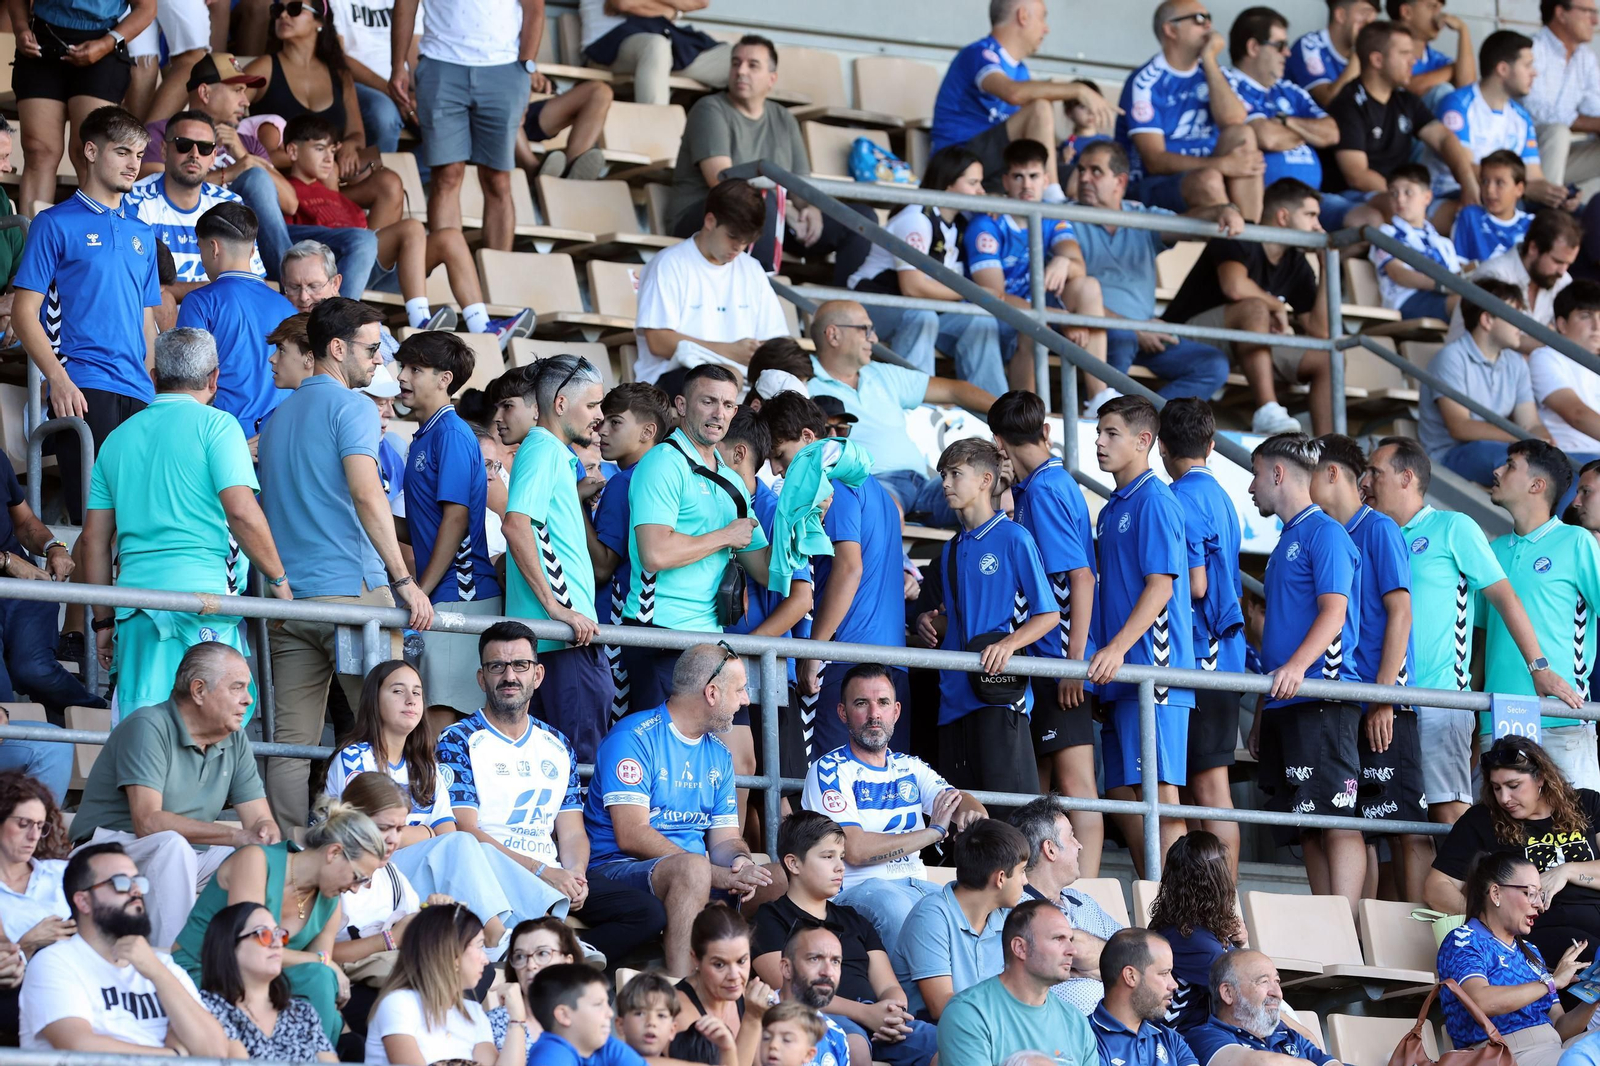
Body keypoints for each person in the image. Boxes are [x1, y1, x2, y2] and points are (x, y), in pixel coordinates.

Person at [258, 297, 433, 831]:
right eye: (373, 349)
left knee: (290, 745)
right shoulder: (353, 407)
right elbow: (366, 493)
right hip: (354, 596)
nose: (380, 362)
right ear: (337, 349)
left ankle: (291, 854)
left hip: (290, 600)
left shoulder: (278, 415)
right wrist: (403, 580)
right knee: (386, 730)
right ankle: (385, 851)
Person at [1365, 437, 1581, 828]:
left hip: (1440, 700)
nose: (1365, 481)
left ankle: (1465, 891)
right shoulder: (1378, 536)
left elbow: (1504, 598)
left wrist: (1539, 667)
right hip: (1392, 703)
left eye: (1375, 472)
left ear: (1406, 477)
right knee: (1395, 825)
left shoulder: (1453, 526)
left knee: (1449, 814)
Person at [79, 327, 292, 714]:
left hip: (134, 607)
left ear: (154, 377)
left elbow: (93, 540)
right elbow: (242, 512)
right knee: (211, 736)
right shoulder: (220, 426)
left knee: (143, 739)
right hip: (203, 604)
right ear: (214, 378)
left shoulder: (116, 438)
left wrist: (103, 622)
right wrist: (278, 579)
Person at [437, 622, 668, 966]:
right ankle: (554, 958)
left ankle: (558, 961)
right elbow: (466, 831)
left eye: (520, 665)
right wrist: (543, 872)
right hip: (493, 871)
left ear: (538, 674)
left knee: (647, 914)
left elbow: (572, 831)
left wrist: (575, 874)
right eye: (496, 666)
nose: (509, 675)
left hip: (553, 871)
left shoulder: (558, 744)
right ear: (481, 678)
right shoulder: (457, 739)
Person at [68, 643, 279, 949]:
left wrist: (266, 834)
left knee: (259, 860)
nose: (248, 699)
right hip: (105, 853)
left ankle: (243, 958)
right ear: (198, 690)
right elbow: (149, 823)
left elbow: (260, 817)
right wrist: (236, 837)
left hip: (187, 857)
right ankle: (172, 965)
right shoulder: (148, 726)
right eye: (238, 687)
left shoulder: (234, 738)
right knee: (172, 844)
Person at [13, 106, 161, 524]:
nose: (134, 164)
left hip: (140, 394)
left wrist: (154, 389)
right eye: (123, 152)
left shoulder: (142, 232)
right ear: (91, 152)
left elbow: (146, 320)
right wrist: (58, 381)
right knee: (92, 523)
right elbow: (25, 314)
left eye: (139, 153)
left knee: (137, 522)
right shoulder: (54, 223)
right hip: (83, 387)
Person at [585, 645, 771, 976]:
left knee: (780, 879)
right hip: (621, 869)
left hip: (696, 870)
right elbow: (632, 835)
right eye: (740, 690)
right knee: (693, 870)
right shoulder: (634, 737)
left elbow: (726, 838)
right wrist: (713, 872)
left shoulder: (719, 753)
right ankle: (685, 994)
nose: (745, 701)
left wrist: (740, 862)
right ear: (711, 693)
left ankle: (768, 998)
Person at [1245, 432, 1366, 911]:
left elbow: (1334, 612)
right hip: (1287, 698)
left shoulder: (1326, 532)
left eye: (1255, 474)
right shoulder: (1287, 540)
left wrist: (1296, 669)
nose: (1251, 487)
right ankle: (1326, 922)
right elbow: (1279, 632)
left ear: (1278, 474)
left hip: (1323, 695)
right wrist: (1262, 706)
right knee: (1308, 824)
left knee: (1336, 817)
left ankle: (1343, 930)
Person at [1309, 435, 1429, 897]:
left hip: (1383, 701)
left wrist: (1385, 698)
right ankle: (1364, 938)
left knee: (1405, 824)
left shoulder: (1378, 528)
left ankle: (1424, 941)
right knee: (1360, 827)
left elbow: (1400, 612)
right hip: (1350, 703)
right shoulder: (1332, 534)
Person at [282, 115, 525, 343]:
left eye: (332, 150)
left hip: (372, 268)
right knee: (411, 228)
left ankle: (483, 327)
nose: (328, 158)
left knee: (450, 237)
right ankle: (420, 322)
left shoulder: (339, 198)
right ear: (292, 150)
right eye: (319, 148)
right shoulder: (286, 192)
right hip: (338, 272)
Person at [760, 395, 911, 760]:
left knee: (830, 791)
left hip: (847, 658)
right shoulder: (875, 487)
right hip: (890, 660)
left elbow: (849, 568)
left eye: (781, 455)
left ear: (808, 437)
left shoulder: (834, 483)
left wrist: (815, 650)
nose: (779, 471)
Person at [615, 366, 772, 714]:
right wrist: (725, 536)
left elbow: (764, 568)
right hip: (659, 633)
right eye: (709, 401)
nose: (720, 413)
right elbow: (655, 552)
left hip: (710, 644)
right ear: (682, 405)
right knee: (662, 758)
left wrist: (803, 518)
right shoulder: (662, 462)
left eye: (729, 405)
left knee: (724, 759)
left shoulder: (729, 477)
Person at [799, 662, 985, 948]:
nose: (874, 714)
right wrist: (933, 833)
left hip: (916, 885)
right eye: (862, 703)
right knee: (899, 912)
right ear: (842, 713)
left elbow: (957, 800)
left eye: (883, 703)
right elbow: (856, 851)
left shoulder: (910, 767)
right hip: (857, 890)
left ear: (896, 711)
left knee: (978, 912)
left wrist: (973, 815)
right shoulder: (829, 770)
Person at [170, 798, 384, 1043]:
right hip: (205, 971)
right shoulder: (256, 860)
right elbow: (246, 950)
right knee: (321, 980)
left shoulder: (331, 903)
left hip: (262, 985)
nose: (356, 890)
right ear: (334, 852)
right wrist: (324, 962)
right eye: (358, 877)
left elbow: (317, 973)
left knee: (323, 987)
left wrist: (324, 965)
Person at [913, 438, 1059, 796]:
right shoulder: (950, 549)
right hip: (952, 701)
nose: (945, 483)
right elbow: (961, 621)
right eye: (943, 475)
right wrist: (932, 624)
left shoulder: (1013, 538)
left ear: (985, 480)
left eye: (955, 474)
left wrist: (1008, 644)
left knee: (1008, 823)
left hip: (997, 697)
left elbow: (1048, 614)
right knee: (963, 824)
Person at [1088, 396, 1196, 876]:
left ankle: (1187, 906)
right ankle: (1157, 894)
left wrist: (1113, 648)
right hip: (1119, 673)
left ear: (1143, 441)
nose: (1098, 441)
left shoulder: (1154, 499)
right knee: (1124, 794)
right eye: (1099, 431)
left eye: (1111, 433)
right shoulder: (1115, 506)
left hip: (1154, 670)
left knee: (1159, 794)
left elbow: (1162, 586)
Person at [989, 392, 1099, 839]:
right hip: (1051, 657)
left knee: (1076, 786)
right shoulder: (1039, 485)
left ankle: (1087, 891)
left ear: (998, 442)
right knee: (1045, 787)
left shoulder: (1048, 489)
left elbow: (1082, 578)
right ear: (1046, 431)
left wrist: (1071, 664)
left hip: (1061, 660)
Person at [665, 35, 863, 282]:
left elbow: (800, 184)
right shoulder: (709, 109)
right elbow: (722, 183)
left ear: (772, 79)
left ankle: (850, 309)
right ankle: (758, 288)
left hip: (766, 220)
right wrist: (783, 210)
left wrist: (809, 208)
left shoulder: (784, 118)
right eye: (735, 63)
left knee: (860, 218)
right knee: (760, 196)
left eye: (752, 65)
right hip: (705, 219)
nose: (741, 71)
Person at [497, 357, 614, 761]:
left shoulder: (550, 452)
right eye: (593, 405)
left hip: (561, 638)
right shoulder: (544, 449)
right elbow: (516, 526)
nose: (599, 417)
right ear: (561, 403)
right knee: (579, 769)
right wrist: (556, 607)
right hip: (564, 638)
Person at [751, 812, 936, 1066]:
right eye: (828, 857)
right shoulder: (770, 918)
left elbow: (889, 986)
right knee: (855, 1045)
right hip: (818, 1015)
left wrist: (892, 1011)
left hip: (876, 1018)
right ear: (793, 864)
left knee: (951, 1042)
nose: (840, 867)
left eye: (841, 857)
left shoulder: (855, 918)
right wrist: (866, 1014)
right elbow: (788, 991)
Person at [1067, 140, 1236, 406]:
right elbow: (1066, 295)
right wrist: (1133, 327)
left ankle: (1142, 420)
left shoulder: (1142, 216)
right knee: (1122, 338)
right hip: (1094, 333)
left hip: (1144, 332)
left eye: (1095, 171)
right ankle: (1105, 417)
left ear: (1120, 182)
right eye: (1081, 170)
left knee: (1212, 364)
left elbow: (1189, 224)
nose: (1084, 178)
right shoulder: (1063, 217)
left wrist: (1224, 210)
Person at [18, 842, 227, 1055]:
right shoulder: (54, 962)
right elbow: (78, 1046)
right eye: (120, 883)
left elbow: (215, 1051)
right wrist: (173, 1056)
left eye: (137, 881)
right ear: (84, 902)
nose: (135, 890)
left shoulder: (163, 967)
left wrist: (157, 973)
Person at [1164, 177, 1336, 435]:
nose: (1317, 226)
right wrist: (1276, 306)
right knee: (1255, 307)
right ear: (1283, 216)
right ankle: (1268, 409)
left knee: (1326, 357)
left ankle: (1330, 449)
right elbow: (1234, 286)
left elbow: (1320, 332)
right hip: (1189, 335)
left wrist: (1326, 268)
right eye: (1311, 215)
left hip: (1248, 345)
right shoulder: (1240, 233)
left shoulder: (1296, 262)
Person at [806, 299, 995, 526]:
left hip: (925, 484)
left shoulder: (882, 373)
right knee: (887, 512)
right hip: (870, 485)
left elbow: (956, 390)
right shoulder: (803, 383)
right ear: (833, 335)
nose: (874, 339)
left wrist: (1010, 413)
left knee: (994, 497)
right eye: (865, 330)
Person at [395, 332, 504, 712]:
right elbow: (425, 527)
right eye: (402, 366)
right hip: (441, 597)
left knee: (443, 719)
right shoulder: (425, 435)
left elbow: (456, 520)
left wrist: (419, 591)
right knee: (430, 720)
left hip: (462, 595)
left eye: (415, 369)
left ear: (444, 379)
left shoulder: (453, 434)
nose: (402, 377)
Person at [1157, 401, 1245, 864]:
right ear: (1211, 446)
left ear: (1161, 447)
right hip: (1221, 656)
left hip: (1201, 656)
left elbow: (1196, 584)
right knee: (1202, 786)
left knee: (1208, 787)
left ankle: (1223, 903)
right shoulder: (1222, 496)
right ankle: (1209, 899)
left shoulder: (1180, 497)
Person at [843, 145, 1006, 394]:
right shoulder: (916, 217)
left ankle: (995, 413)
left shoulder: (962, 222)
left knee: (979, 322)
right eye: (973, 183)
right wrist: (971, 293)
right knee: (922, 316)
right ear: (948, 183)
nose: (980, 191)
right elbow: (912, 287)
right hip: (873, 305)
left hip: (923, 310)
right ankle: (918, 404)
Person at [1482, 441, 1600, 774]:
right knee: (1502, 828)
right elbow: (1479, 639)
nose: (1497, 471)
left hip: (1562, 717)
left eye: (1510, 465)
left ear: (1537, 485)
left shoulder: (1577, 541)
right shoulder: (1491, 551)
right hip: (1497, 720)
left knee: (1575, 826)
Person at [1433, 735, 1600, 970]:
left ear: (1541, 777)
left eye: (1513, 786)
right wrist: (1490, 921)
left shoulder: (1586, 803)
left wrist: (1567, 871)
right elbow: (1436, 886)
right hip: (1537, 932)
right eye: (1496, 788)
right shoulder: (1482, 820)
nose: (1504, 798)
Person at [387, 0, 538, 252]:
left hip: (504, 67)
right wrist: (397, 65)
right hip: (440, 64)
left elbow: (535, 8)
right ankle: (448, 268)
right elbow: (406, 3)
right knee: (446, 175)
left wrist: (525, 67)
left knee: (498, 179)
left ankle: (496, 274)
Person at [966, 138, 1111, 399]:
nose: (1026, 184)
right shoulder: (986, 224)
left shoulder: (1052, 215)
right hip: (995, 321)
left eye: (1033, 176)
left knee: (1089, 287)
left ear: (1046, 180)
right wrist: (1055, 317)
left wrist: (1064, 261)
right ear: (1006, 181)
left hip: (1038, 311)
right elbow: (993, 296)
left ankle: (1098, 398)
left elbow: (1078, 267)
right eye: (1018, 177)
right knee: (1034, 327)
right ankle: (1028, 417)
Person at [242, 0, 402, 224]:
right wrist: (306, 158)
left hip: (330, 185)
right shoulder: (264, 67)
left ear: (319, 20)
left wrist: (349, 145)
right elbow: (229, 111)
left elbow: (356, 134)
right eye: (278, 10)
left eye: (295, 9)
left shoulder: (339, 73)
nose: (283, 15)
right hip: (285, 190)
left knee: (389, 183)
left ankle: (369, 257)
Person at [930, 0, 1114, 194]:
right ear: (1023, 16)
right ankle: (1051, 196)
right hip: (958, 161)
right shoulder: (979, 53)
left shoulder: (1020, 71)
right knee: (1040, 107)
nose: (1047, 29)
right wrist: (1078, 90)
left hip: (999, 166)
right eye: (1043, 18)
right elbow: (1012, 92)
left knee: (1081, 178)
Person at [0, 442, 102, 778]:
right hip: (13, 574)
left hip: (22, 589)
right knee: (3, 699)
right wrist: (5, 561)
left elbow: (25, 520)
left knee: (33, 669)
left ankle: (101, 718)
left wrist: (53, 547)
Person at [1438, 850, 1595, 1066]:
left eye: (1540, 894)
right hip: (1506, 1056)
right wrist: (1550, 982)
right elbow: (1480, 1001)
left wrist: (1593, 997)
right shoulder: (1463, 940)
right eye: (1531, 893)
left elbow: (1560, 1026)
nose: (1540, 904)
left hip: (1553, 1048)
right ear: (1496, 893)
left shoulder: (1530, 950)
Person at [636, 179, 790, 386]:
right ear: (710, 221)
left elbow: (775, 339)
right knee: (726, 380)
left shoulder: (752, 269)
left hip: (740, 381)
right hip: (675, 377)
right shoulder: (669, 264)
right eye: (733, 236)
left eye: (746, 241)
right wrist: (728, 351)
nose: (738, 247)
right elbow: (657, 341)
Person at [1117, 0, 1263, 218]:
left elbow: (1234, 119)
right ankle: (1240, 247)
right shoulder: (1146, 81)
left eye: (1209, 19)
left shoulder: (1214, 73)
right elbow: (1154, 160)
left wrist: (1210, 60)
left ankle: (1250, 234)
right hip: (1154, 185)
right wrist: (1222, 165)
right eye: (1199, 19)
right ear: (1170, 29)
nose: (1208, 26)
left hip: (1213, 172)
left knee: (1243, 135)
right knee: (1209, 179)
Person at [1323, 22, 1480, 219]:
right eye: (1405, 53)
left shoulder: (1404, 99)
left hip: (1400, 196)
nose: (1413, 60)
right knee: (1391, 209)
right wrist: (1404, 198)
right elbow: (1357, 175)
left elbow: (1442, 138)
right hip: (1353, 198)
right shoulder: (1348, 104)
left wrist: (1468, 181)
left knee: (1468, 212)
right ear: (1378, 60)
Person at [11, 0, 154, 218]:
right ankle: (33, 242)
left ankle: (94, 241)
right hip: (40, 38)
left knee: (88, 151)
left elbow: (146, 8)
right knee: (38, 151)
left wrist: (107, 44)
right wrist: (20, 27)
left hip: (102, 39)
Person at [172, 204, 297, 447]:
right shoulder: (288, 309)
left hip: (219, 442)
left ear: (213, 247)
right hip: (278, 442)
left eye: (200, 249)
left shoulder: (200, 302)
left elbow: (187, 388)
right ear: (252, 250)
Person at [1428, 30, 1565, 235]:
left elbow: (1533, 176)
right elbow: (1466, 168)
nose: (1534, 72)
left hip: (1504, 197)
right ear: (1502, 69)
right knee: (1511, 214)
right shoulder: (1458, 104)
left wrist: (1556, 195)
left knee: (1567, 218)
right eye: (1527, 65)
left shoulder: (1522, 117)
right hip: (1453, 194)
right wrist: (1523, 188)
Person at [1419, 279, 1553, 487]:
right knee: (1521, 466)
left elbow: (1531, 423)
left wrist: (1544, 442)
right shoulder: (1451, 357)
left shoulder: (1515, 362)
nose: (1520, 324)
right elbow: (1460, 427)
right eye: (1513, 315)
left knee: (1559, 467)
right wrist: (1523, 439)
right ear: (1487, 320)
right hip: (1449, 456)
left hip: (1495, 449)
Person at [893, 818, 1030, 1022]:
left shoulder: (1010, 914)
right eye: (1022, 871)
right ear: (1000, 878)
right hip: (935, 1034)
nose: (1025, 881)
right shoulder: (931, 916)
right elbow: (942, 1006)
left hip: (988, 1029)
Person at [591, 383, 671, 721]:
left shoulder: (624, 482)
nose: (601, 430)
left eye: (615, 422)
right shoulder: (672, 474)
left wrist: (576, 503)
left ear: (648, 431)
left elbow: (602, 567)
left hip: (621, 628)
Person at [935, 898, 1097, 1064]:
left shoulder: (1077, 1023)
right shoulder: (969, 1013)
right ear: (1020, 948)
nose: (1072, 950)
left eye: (1070, 940)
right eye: (1058, 938)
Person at [366, 902, 529, 1066]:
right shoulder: (400, 1004)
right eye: (480, 947)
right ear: (452, 952)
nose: (486, 960)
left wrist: (516, 1019)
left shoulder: (473, 1012)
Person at [126, 112, 268, 298]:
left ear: (213, 156)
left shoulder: (230, 204)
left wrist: (177, 290)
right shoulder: (134, 200)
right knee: (162, 299)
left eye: (205, 148)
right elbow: (137, 285)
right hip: (159, 317)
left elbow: (252, 282)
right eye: (183, 145)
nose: (194, 154)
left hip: (216, 313)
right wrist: (216, 286)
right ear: (163, 150)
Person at [1007, 796, 1126, 1015]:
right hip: (1057, 1037)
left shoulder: (1083, 901)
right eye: (1071, 835)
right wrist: (1112, 968)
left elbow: (1135, 956)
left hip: (1119, 1034)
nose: (1080, 845)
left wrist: (1090, 959)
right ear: (1050, 849)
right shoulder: (1015, 909)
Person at [197, 900, 337, 1061]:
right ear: (229, 945)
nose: (277, 943)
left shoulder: (302, 1013)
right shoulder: (207, 1008)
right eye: (264, 934)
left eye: (279, 935)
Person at [1226, 8, 1340, 194]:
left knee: (1364, 215)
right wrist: (1308, 134)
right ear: (1253, 47)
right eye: (1279, 46)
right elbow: (1266, 137)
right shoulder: (1229, 84)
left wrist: (1285, 121)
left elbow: (1332, 133)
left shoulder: (1289, 90)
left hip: (1314, 200)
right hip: (1269, 202)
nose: (1287, 53)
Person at [1145, 833, 1245, 1033]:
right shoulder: (1193, 940)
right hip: (1178, 1041)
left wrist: (1236, 944)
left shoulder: (1181, 926)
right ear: (1218, 882)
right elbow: (1245, 991)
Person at [1447, 210, 1583, 347]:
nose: (1562, 271)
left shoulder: (1563, 281)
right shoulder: (1494, 275)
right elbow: (1495, 339)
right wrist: (1553, 345)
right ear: (1533, 248)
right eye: (1557, 262)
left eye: (1568, 264)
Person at [1184, 950, 1340, 1066]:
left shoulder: (1287, 1035)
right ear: (1228, 993)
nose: (1277, 993)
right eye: (1264, 981)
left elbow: (1332, 1064)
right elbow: (1262, 1064)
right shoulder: (1204, 1037)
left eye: (1277, 981)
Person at [673, 904, 776, 1066]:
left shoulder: (743, 996)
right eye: (719, 965)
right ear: (695, 959)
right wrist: (752, 1019)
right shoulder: (677, 1011)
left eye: (742, 961)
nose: (734, 976)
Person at [577, 0, 730, 107]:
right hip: (608, 49)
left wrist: (668, 10)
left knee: (738, 59)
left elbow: (701, 2)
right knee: (655, 46)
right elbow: (624, 3)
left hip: (668, 46)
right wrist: (672, 9)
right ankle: (655, 135)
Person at [1091, 929, 1201, 1066]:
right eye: (1164, 973)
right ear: (1131, 976)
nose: (1174, 985)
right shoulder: (1086, 1039)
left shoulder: (1171, 1039)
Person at [1523, 0, 1600, 192]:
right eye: (1587, 12)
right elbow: (1537, 112)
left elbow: (1594, 109)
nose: (1595, 21)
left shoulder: (1586, 57)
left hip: (1554, 161)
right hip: (1519, 158)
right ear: (1561, 13)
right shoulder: (1532, 49)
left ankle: (1559, 199)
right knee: (1557, 132)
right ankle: (1548, 214)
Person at [1371, 163, 1463, 320]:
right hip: (1406, 301)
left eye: (1408, 192)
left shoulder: (1443, 243)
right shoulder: (1386, 233)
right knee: (1467, 306)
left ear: (1427, 197)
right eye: (1393, 193)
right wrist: (1440, 285)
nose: (1400, 199)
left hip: (1441, 298)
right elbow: (1398, 273)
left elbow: (1456, 276)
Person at [0, 770, 74, 960]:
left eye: (40, 826)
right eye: (24, 824)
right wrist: (26, 945)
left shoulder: (63, 872)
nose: (34, 836)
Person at [772, 924, 862, 1066]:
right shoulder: (755, 1020)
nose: (828, 972)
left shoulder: (836, 1036)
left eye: (835, 961)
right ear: (786, 968)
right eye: (815, 959)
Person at [1532, 283, 1600, 467]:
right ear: (1562, 324)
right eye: (1586, 316)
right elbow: (1576, 413)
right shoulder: (1546, 356)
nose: (1597, 326)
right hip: (1569, 458)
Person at [487, 918, 582, 1047]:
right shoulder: (492, 1024)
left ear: (567, 961)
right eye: (520, 956)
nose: (530, 965)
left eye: (542, 953)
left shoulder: (586, 1017)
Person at [526, 963, 627, 1066]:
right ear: (564, 1015)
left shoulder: (606, 1047)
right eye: (598, 1004)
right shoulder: (551, 1057)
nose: (610, 1013)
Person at [1454, 150, 1535, 264]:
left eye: (1499, 183)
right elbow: (1458, 266)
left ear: (1519, 189)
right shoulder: (1470, 216)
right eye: (1485, 181)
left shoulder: (1532, 224)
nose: (1489, 190)